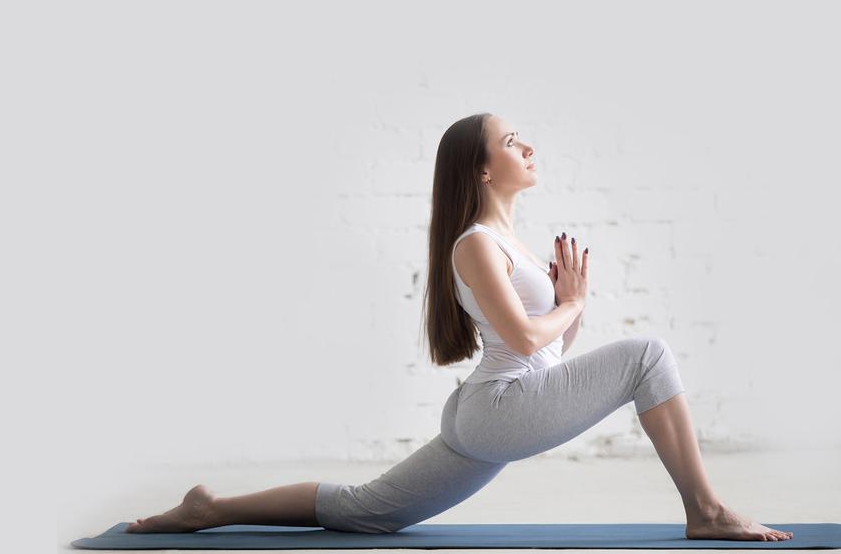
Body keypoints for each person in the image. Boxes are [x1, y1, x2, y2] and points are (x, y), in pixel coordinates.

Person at [125, 113, 791, 542]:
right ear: (481, 167)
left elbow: (547, 351)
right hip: (500, 408)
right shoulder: (475, 242)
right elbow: (530, 341)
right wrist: (573, 301)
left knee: (369, 507)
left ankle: (211, 508)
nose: (527, 145)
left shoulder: (509, 241)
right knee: (649, 353)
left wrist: (568, 306)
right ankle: (705, 510)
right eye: (510, 141)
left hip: (502, 409)